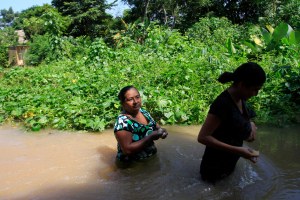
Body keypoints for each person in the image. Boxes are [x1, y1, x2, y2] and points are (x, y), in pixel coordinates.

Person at [197, 62, 266, 183]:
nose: (256, 94)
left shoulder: (241, 99)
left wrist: (251, 128)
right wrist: (239, 150)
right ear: (241, 84)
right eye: (254, 89)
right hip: (213, 170)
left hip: (229, 165)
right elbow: (203, 137)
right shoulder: (222, 104)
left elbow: (244, 122)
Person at [114, 85, 168, 162]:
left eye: (137, 97)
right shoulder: (123, 122)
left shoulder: (143, 112)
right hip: (132, 166)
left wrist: (162, 131)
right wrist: (151, 136)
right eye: (130, 99)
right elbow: (127, 150)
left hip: (149, 160)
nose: (136, 102)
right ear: (122, 103)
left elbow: (156, 127)